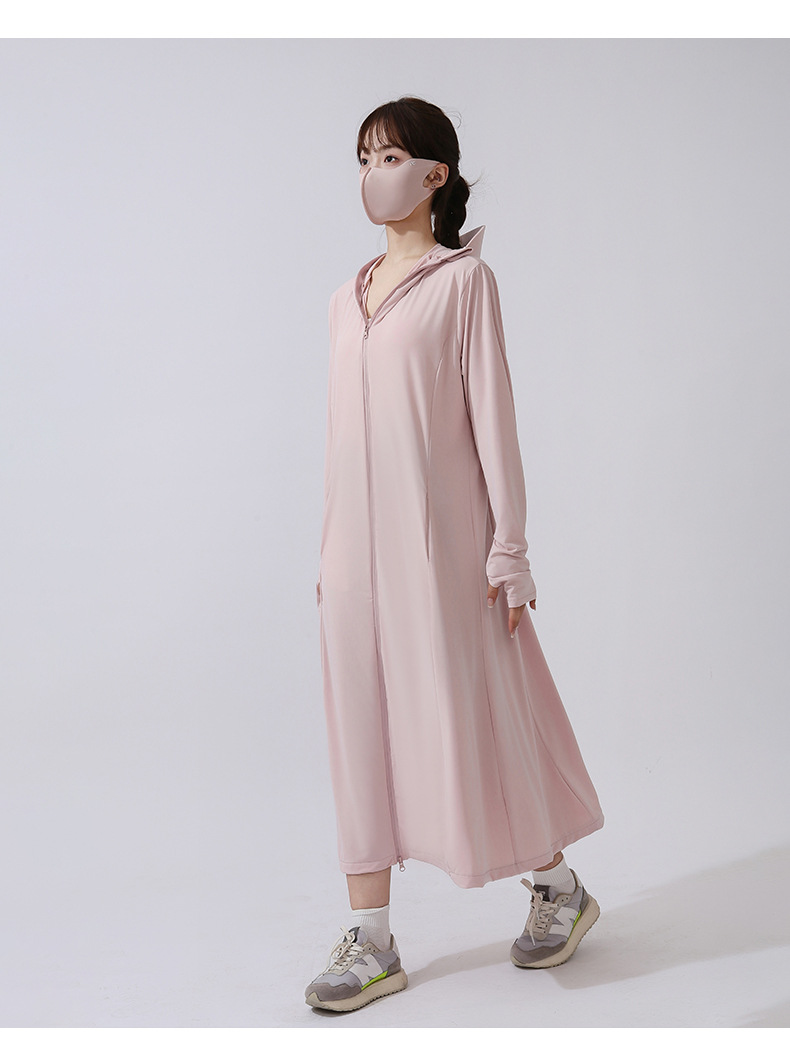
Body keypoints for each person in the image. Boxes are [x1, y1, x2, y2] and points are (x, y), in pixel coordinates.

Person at [305, 97, 605, 1013]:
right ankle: (372, 939)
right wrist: (329, 553)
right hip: (353, 561)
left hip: (445, 553)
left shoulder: (463, 282)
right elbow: (342, 439)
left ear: (434, 174)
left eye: (390, 156)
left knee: (471, 722)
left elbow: (493, 423)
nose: (373, 174)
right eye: (363, 159)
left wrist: (509, 551)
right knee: (360, 732)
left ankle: (558, 886)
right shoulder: (344, 299)